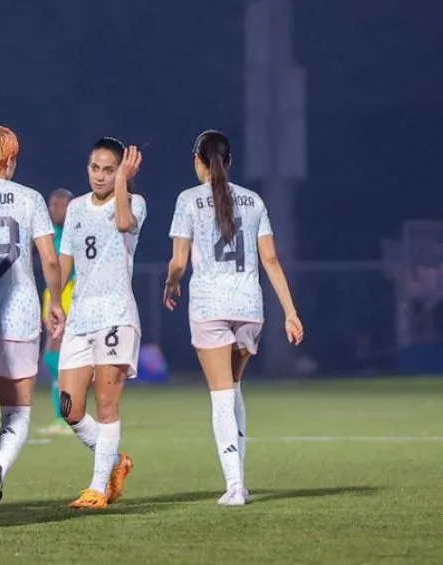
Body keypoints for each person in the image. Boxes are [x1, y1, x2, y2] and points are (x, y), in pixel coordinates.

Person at [163, 129, 304, 506]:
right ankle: (238, 479)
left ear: (198, 161)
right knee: (235, 389)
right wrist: (290, 312)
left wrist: (171, 284)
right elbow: (270, 260)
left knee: (221, 395)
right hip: (249, 308)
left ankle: (235, 484)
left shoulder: (188, 200)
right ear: (229, 162)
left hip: (210, 306)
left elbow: (178, 261)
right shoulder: (254, 200)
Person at [0, 125, 65, 527]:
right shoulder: (30, 198)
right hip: (19, 315)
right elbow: (50, 259)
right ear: (10, 160)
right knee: (17, 414)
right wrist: (55, 301)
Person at [58, 138, 143, 510]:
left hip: (116, 317)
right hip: (80, 317)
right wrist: (54, 301)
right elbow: (65, 259)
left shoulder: (133, 203)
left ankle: (97, 487)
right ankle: (115, 461)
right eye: (96, 167)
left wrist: (123, 182)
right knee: (70, 409)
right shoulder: (76, 207)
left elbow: (124, 223)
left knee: (106, 405)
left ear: (121, 171)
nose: (100, 175)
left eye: (109, 169)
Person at [38, 188, 76, 436]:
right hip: (51, 293)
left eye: (61, 205)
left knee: (57, 357)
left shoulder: (75, 231)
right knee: (52, 357)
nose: (55, 209)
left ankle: (67, 417)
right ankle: (62, 416)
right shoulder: (51, 233)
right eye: (52, 205)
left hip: (68, 292)